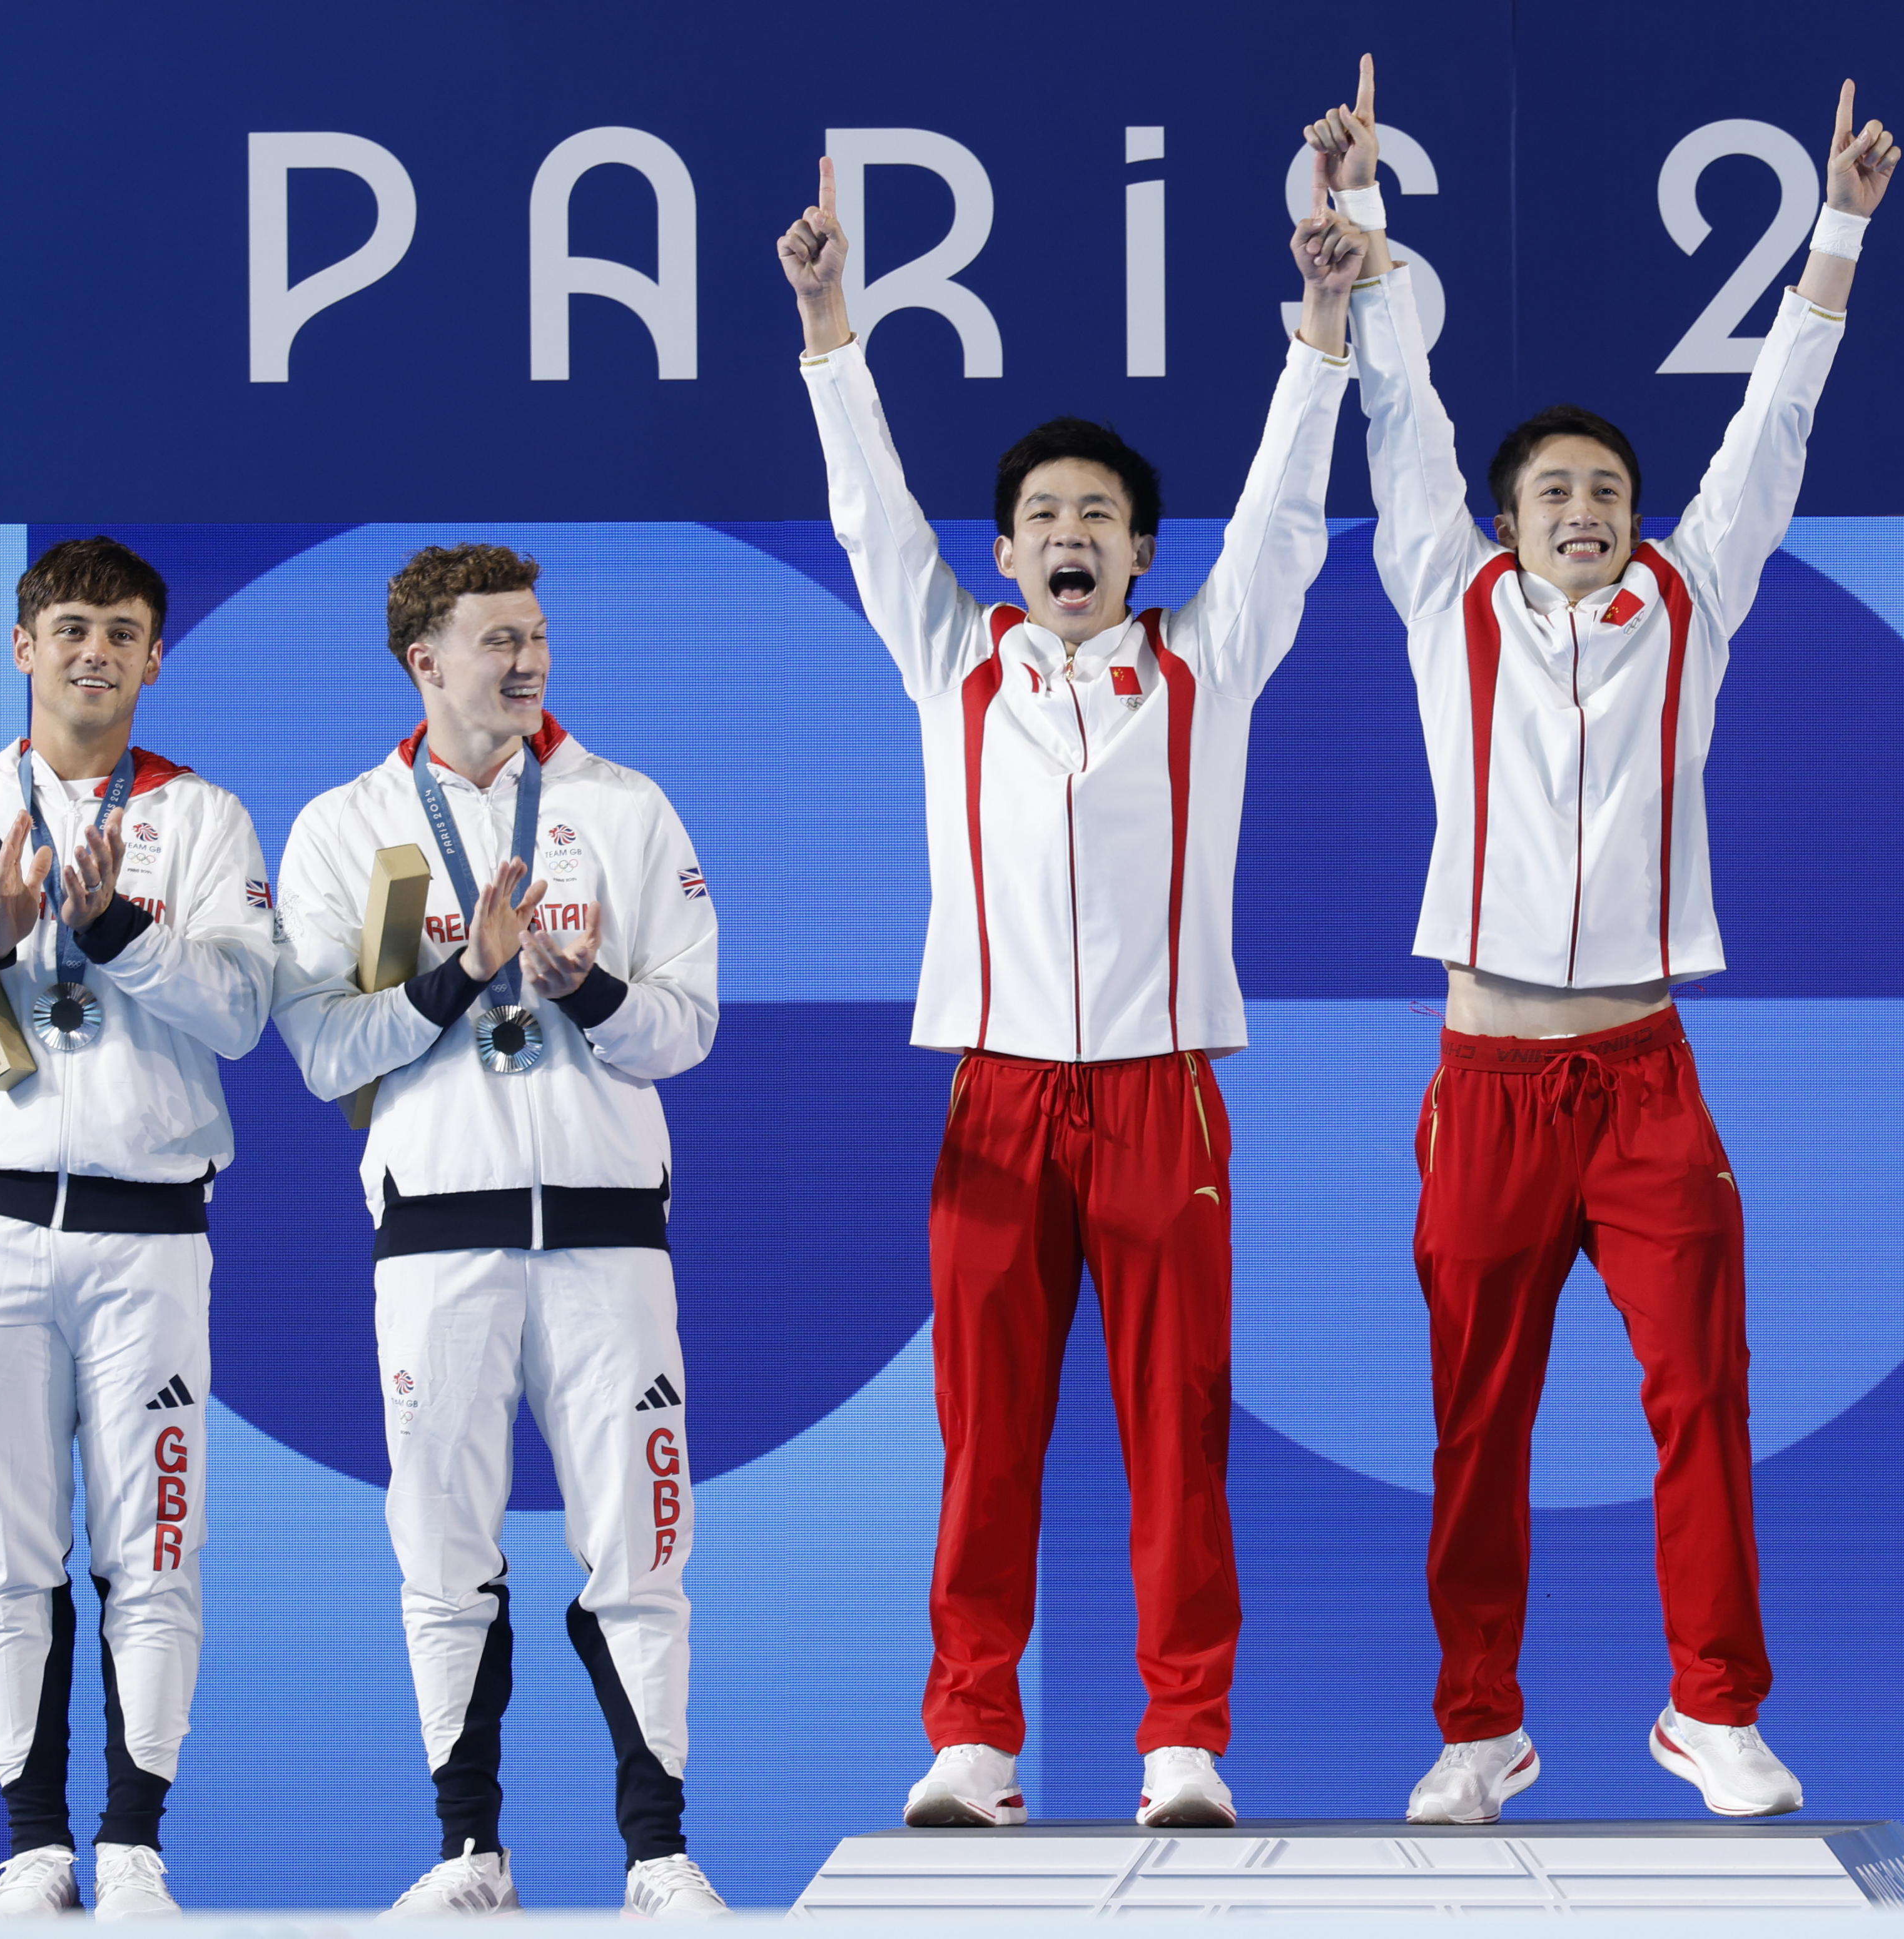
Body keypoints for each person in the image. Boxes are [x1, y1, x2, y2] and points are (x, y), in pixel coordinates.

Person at [1307, 56, 1898, 1824]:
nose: (1586, 508)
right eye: (1554, 488)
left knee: (1698, 1396)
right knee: (1475, 1426)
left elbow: (1774, 426)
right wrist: (1355, 217)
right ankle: (1477, 1720)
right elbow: (1396, 405)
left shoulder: (1691, 600)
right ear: (1505, 518)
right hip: (1486, 1075)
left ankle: (1711, 1706)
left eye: (1608, 489)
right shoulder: (1443, 596)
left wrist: (1842, 230)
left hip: (1646, 1078)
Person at [781, 153, 1359, 1830]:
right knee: (989, 1437)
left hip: (1162, 1095)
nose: (1070, 538)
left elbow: (1286, 519)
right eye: (1043, 520)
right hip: (998, 1096)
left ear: (1140, 549)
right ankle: (975, 1732)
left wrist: (1321, 325)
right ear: (1008, 550)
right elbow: (866, 508)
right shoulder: (951, 662)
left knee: (1175, 1433)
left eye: (1099, 518)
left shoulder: (1209, 665)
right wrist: (831, 327)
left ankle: (1183, 1734)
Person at [271, 544, 725, 1917]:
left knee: (643, 1538)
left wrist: (583, 990)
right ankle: (470, 1849)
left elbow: (691, 1024)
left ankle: (657, 1854)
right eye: (496, 641)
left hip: (606, 1235)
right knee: (441, 1538)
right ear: (424, 660)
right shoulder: (348, 826)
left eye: (535, 636)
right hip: (438, 1237)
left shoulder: (625, 807)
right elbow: (320, 1046)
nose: (526, 661)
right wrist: (461, 973)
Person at [0, 537, 272, 1920]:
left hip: (150, 1235)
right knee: (5, 1543)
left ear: (153, 656)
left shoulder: (201, 819)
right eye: (70, 624)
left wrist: (120, 928)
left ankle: (134, 1838)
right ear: (24, 645)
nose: (95, 649)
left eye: (123, 630)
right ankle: (34, 1842)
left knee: (155, 1536)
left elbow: (246, 1015)